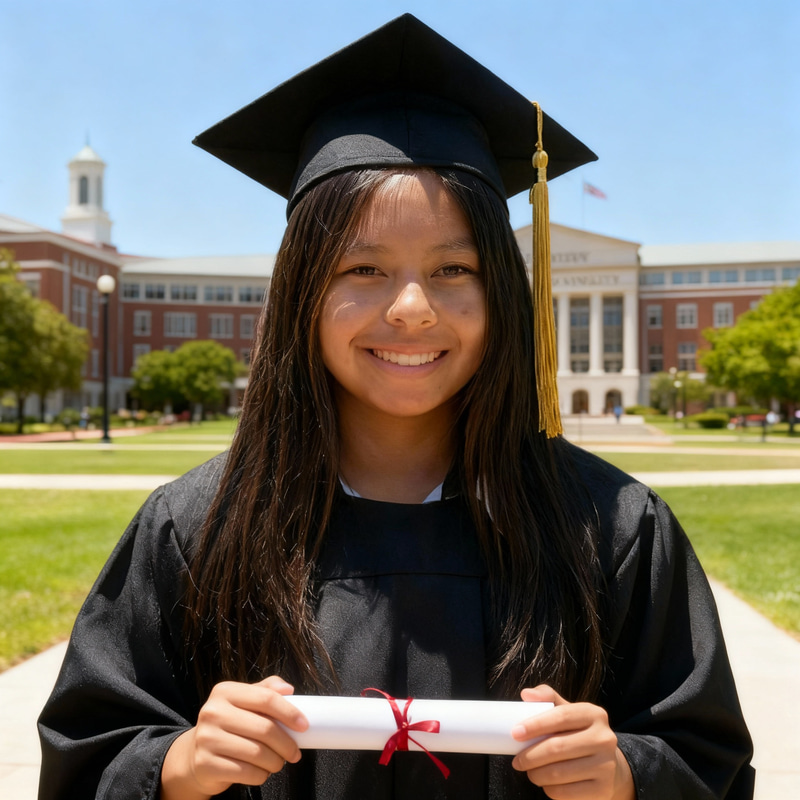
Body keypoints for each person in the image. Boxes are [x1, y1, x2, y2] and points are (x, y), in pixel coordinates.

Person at [38, 14, 754, 800]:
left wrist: (627, 775)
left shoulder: (612, 530)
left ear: (503, 292)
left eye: (454, 269)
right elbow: (88, 758)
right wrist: (175, 767)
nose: (412, 308)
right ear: (302, 292)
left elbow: (708, 764)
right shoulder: (196, 530)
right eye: (363, 268)